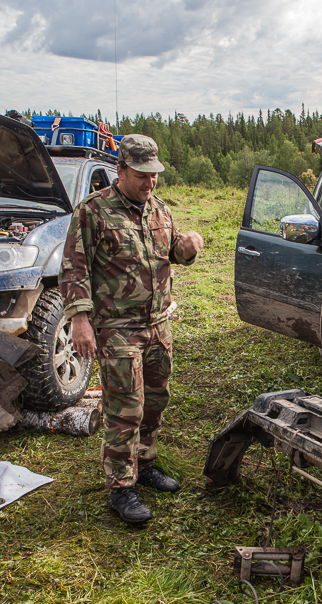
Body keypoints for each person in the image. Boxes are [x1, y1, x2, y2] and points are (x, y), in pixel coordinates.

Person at [59, 134, 204, 524]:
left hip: (158, 325)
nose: (149, 183)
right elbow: (73, 267)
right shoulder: (93, 211)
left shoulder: (160, 210)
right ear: (120, 170)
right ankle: (122, 488)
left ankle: (144, 461)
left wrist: (186, 249)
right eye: (141, 174)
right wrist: (80, 319)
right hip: (117, 327)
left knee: (156, 400)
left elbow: (171, 252)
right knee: (126, 408)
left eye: (154, 175)